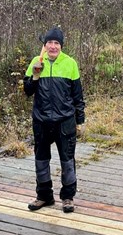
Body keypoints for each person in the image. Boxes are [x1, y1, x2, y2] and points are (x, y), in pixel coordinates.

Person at [23, 27, 85, 213]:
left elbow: (77, 95)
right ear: (44, 46)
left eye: (56, 43)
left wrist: (80, 120)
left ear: (61, 46)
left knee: (67, 160)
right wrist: (35, 75)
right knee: (41, 159)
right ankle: (44, 196)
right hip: (41, 120)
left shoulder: (70, 63)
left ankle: (67, 197)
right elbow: (27, 91)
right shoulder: (36, 61)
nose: (53, 46)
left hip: (64, 121)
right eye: (49, 43)